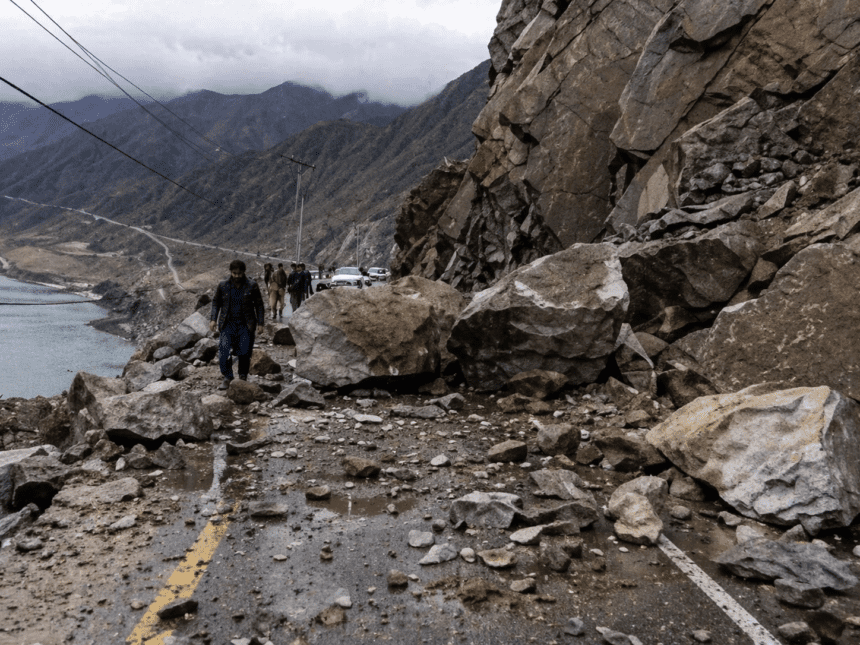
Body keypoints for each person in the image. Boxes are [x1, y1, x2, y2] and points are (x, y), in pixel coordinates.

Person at [209, 260, 265, 390]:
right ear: (230, 272)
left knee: (244, 352)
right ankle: (228, 377)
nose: (237, 276)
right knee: (224, 351)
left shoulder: (252, 285)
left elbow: (259, 305)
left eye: (239, 273)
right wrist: (213, 319)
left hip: (246, 325)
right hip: (227, 324)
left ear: (244, 272)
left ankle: (242, 376)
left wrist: (261, 323)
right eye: (234, 273)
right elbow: (216, 302)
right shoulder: (223, 285)